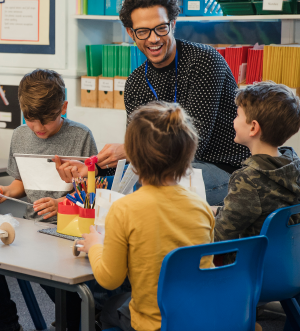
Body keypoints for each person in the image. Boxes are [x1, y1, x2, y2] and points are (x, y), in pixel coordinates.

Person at [55, 0, 250, 206]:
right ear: (130, 33)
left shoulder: (205, 61)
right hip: (168, 171)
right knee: (103, 188)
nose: (153, 39)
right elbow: (143, 156)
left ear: (173, 24)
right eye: (143, 31)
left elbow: (194, 144)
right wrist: (94, 170)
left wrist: (129, 150)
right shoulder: (136, 82)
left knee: (140, 190)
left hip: (225, 169)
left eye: (161, 28)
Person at [78, 102, 215, 331]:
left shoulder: (124, 209)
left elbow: (109, 279)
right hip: (197, 318)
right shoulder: (202, 207)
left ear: (132, 155)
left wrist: (95, 245)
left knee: (108, 307)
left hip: (152, 323)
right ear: (187, 154)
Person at [0, 69, 98, 331]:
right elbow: (22, 183)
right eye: (32, 120)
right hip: (32, 229)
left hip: (69, 230)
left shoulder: (81, 137)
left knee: (69, 293)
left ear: (63, 107)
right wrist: (7, 192)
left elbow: (93, 192)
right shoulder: (21, 135)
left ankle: (77, 320)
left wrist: (61, 205)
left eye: (49, 120)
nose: (40, 128)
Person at [213, 81, 300, 250]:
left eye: (237, 115)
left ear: (253, 127)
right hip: (286, 262)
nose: (234, 120)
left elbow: (219, 236)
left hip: (249, 265)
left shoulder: (249, 179)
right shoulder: (293, 164)